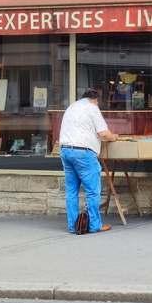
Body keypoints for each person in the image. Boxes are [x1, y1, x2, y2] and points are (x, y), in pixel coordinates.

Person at [59, 89, 118, 233]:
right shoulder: (92, 108)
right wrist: (114, 137)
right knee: (92, 191)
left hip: (65, 150)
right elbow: (103, 133)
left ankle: (73, 226)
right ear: (95, 100)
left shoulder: (71, 107)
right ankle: (94, 225)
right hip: (83, 152)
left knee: (71, 191)